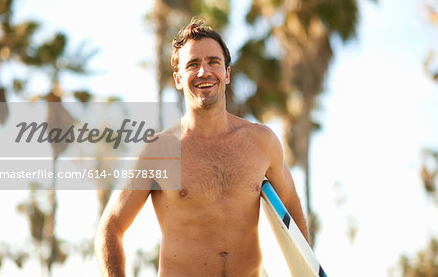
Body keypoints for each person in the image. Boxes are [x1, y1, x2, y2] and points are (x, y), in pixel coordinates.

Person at [94, 17, 308, 277]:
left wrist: (304, 269)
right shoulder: (158, 152)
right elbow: (110, 228)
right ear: (178, 79)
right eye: (192, 64)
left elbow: (291, 210)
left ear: (227, 73)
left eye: (213, 62)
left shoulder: (261, 142)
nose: (203, 72)